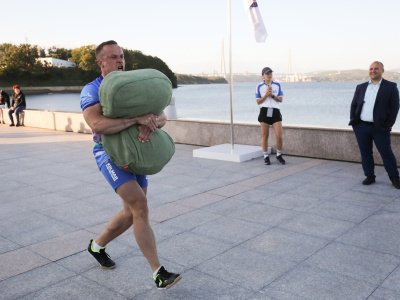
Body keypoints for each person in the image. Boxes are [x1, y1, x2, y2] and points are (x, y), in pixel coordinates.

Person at [80, 40, 181, 289]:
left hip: (135, 154)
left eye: (122, 56)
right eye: (113, 57)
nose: (120, 61)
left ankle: (97, 246)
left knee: (130, 213)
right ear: (100, 62)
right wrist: (135, 118)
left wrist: (151, 122)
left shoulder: (131, 86)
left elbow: (163, 116)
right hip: (108, 155)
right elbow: (97, 125)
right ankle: (158, 272)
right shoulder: (92, 90)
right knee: (140, 205)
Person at [349, 61, 400, 188]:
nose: (373, 71)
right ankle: (370, 176)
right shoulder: (360, 87)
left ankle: (394, 178)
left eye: (376, 69)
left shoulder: (391, 87)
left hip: (380, 128)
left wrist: (388, 124)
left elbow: (395, 107)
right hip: (361, 126)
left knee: (386, 153)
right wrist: (355, 122)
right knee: (365, 153)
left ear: (382, 71)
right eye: (371, 68)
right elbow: (354, 105)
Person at [255, 67, 285, 165]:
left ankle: (279, 155)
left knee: (279, 136)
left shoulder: (277, 85)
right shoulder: (259, 86)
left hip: (275, 111)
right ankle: (265, 156)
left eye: (270, 73)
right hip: (264, 111)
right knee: (264, 135)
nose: (269, 75)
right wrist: (266, 95)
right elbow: (258, 101)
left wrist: (272, 95)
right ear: (263, 76)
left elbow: (281, 99)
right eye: (267, 73)